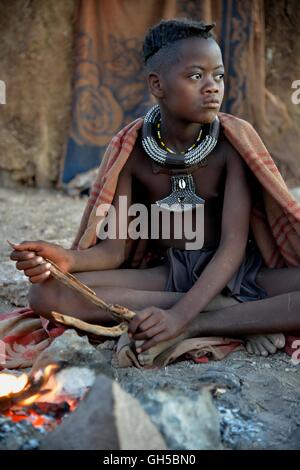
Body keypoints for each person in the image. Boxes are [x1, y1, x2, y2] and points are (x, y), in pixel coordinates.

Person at [9, 19, 300, 364]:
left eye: (218, 76)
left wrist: (181, 318)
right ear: (157, 84)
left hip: (241, 273)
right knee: (45, 294)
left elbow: (232, 247)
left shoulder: (231, 144)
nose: (212, 87)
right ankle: (241, 317)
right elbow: (116, 248)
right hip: (170, 276)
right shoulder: (131, 150)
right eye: (196, 76)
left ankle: (207, 321)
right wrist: (67, 259)